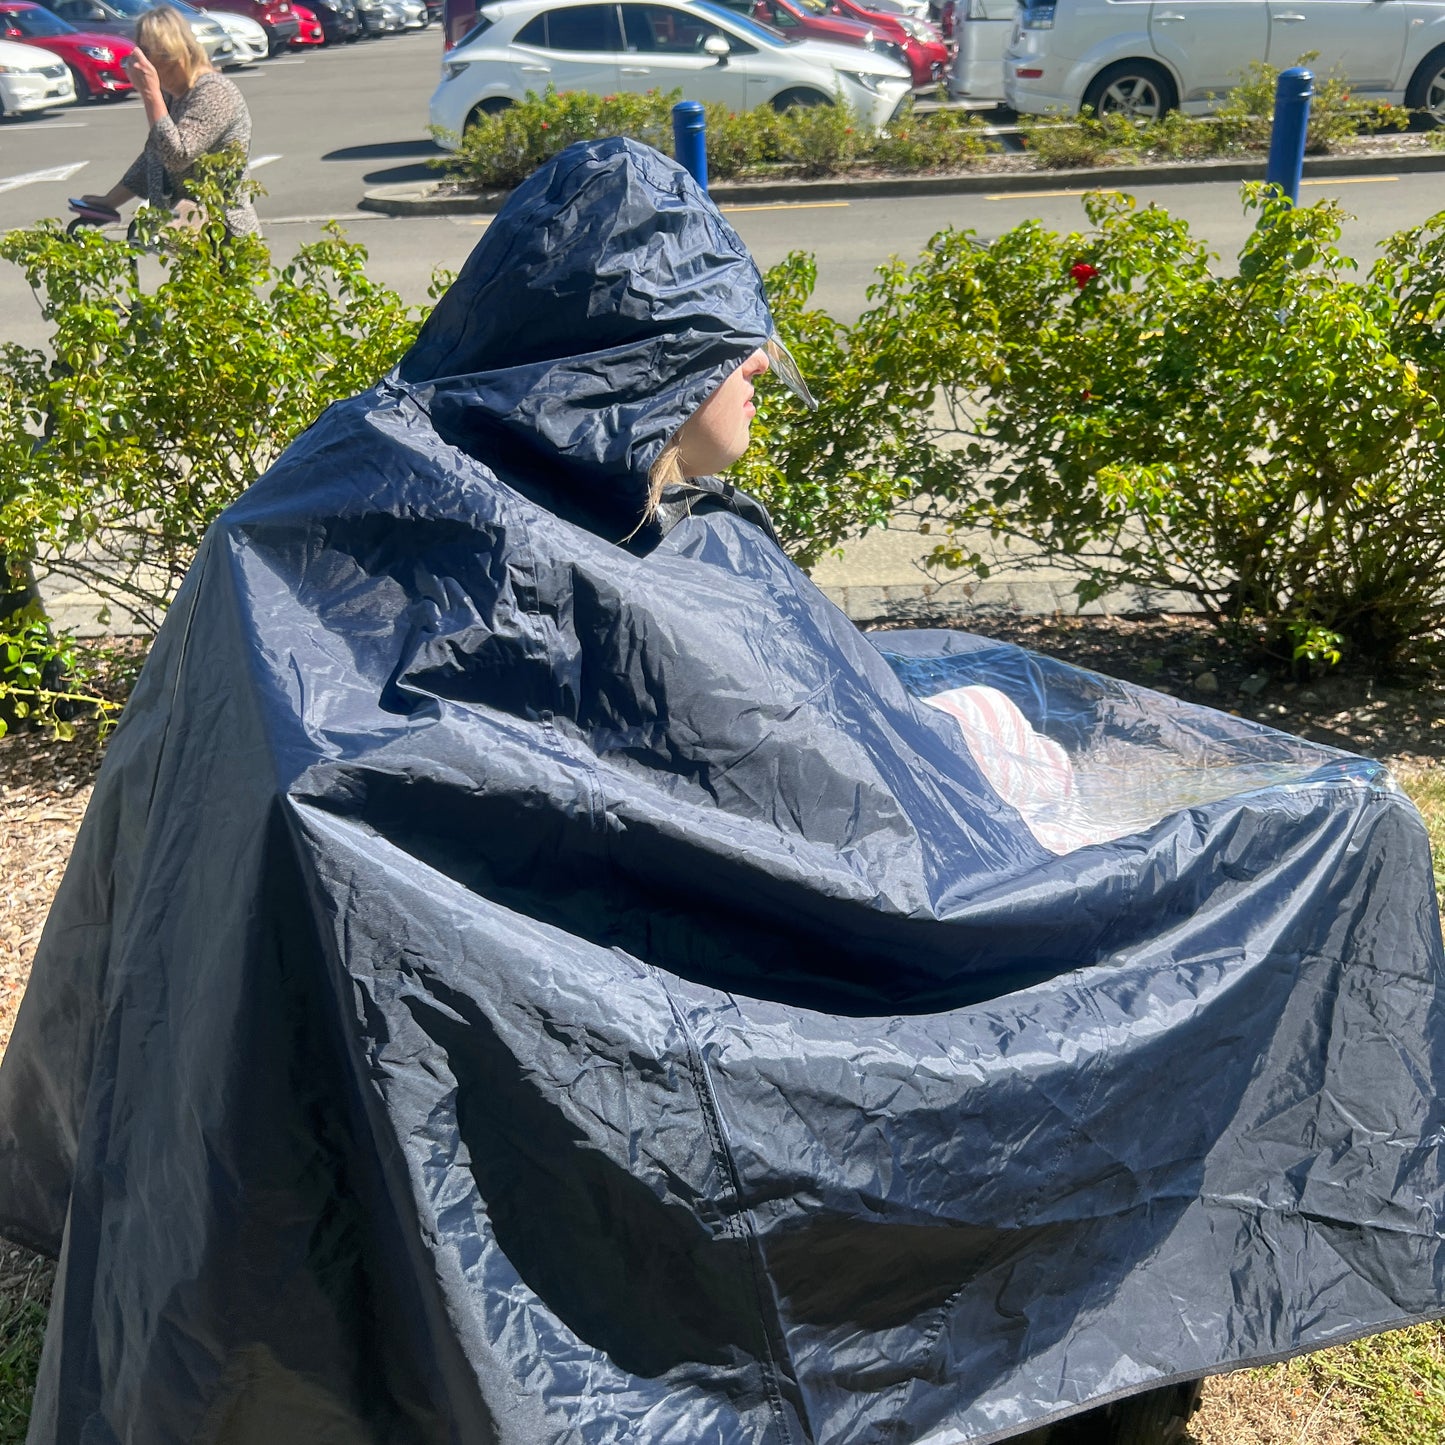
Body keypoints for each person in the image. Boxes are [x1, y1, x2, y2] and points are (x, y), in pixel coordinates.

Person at [3, 137, 1444, 1445]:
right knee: (1329, 833)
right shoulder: (510, 560)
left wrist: (910, 729)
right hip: (575, 1051)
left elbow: (734, 735)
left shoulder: (416, 485)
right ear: (635, 365)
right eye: (734, 341)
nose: (761, 366)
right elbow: (810, 843)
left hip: (306, 1094)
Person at [77, 4, 258, 238]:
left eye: (145, 51)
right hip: (190, 235)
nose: (137, 59)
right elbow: (155, 154)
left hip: (226, 238)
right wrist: (109, 201)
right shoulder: (173, 95)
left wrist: (149, 92)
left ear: (169, 53)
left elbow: (177, 156)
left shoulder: (214, 92)